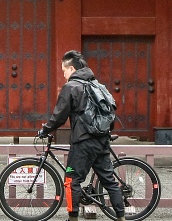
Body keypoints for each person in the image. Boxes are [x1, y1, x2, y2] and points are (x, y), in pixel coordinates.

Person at [38, 50, 127, 221]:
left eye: (63, 70)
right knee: (109, 181)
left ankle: (73, 218)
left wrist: (45, 130)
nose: (63, 74)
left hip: (83, 142)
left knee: (72, 180)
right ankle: (121, 217)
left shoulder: (71, 87)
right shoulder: (97, 85)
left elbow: (59, 116)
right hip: (101, 140)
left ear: (71, 69)